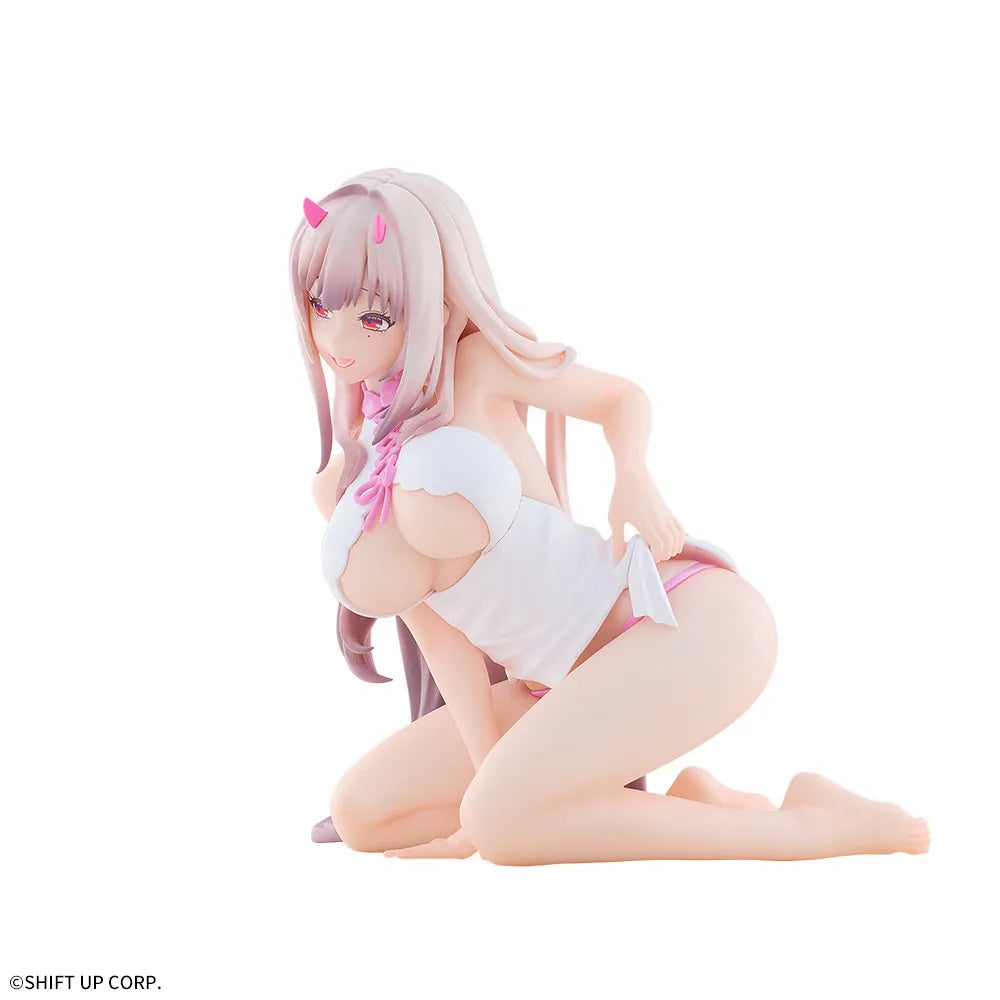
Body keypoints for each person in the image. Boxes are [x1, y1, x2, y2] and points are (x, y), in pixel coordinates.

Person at [290, 169, 929, 865]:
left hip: (677, 623)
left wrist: (632, 476)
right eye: (321, 305)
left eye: (374, 316)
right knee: (365, 815)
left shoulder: (476, 369)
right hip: (549, 688)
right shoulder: (342, 487)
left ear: (437, 304)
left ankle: (813, 826)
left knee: (504, 824)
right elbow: (444, 643)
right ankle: (696, 805)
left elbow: (620, 399)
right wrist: (480, 794)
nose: (337, 337)